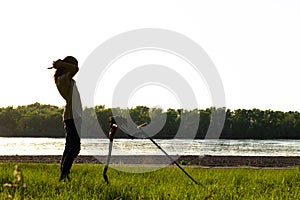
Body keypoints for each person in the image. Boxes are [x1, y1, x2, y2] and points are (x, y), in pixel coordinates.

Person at [49, 56, 82, 181]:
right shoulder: (63, 79)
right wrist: (61, 63)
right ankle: (64, 174)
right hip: (72, 116)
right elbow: (75, 68)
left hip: (74, 116)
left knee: (70, 146)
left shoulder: (65, 79)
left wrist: (62, 64)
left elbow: (74, 68)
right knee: (75, 147)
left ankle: (64, 174)